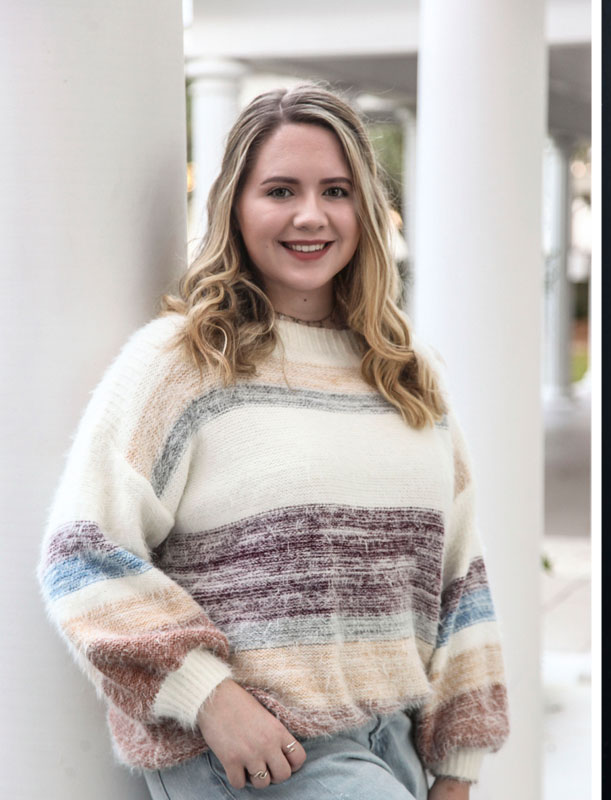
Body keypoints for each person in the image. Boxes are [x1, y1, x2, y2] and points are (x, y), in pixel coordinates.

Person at [38, 85, 508, 800]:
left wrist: (457, 768)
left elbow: (460, 577)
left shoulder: (410, 372)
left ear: (367, 211)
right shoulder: (183, 362)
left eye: (337, 190)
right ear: (235, 206)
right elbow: (80, 556)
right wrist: (210, 697)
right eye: (280, 190)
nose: (311, 215)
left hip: (397, 745)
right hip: (262, 755)